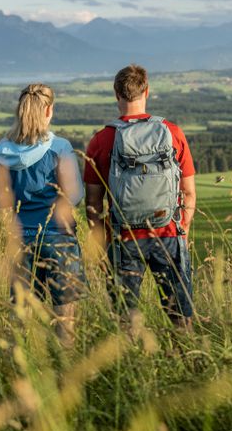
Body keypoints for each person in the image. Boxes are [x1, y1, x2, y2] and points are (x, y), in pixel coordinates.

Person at [84, 64, 196, 330]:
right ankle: (191, 366)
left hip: (123, 239)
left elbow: (92, 203)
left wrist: (101, 245)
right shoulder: (172, 133)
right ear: (147, 92)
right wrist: (182, 231)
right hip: (168, 233)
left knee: (126, 318)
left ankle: (132, 365)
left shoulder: (102, 140)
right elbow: (189, 192)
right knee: (181, 318)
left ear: (116, 95)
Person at [0, 83, 86, 346]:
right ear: (49, 110)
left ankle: (22, 369)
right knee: (64, 315)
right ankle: (65, 370)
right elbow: (74, 196)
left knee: (20, 315)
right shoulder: (60, 148)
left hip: (20, 241)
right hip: (58, 237)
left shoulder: (3, 151)